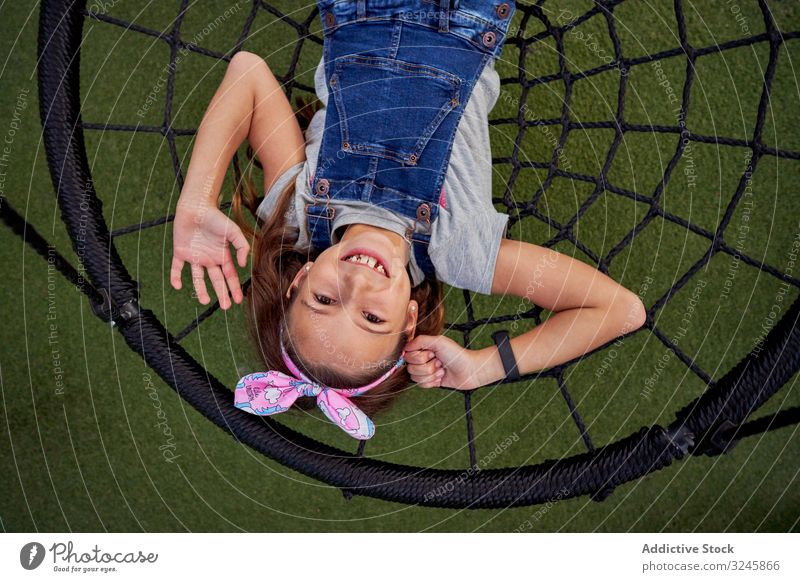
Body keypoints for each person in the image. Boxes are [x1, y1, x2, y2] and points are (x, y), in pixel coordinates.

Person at [170, 1, 646, 439]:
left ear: (300, 279)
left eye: (325, 298)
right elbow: (620, 311)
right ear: (410, 320)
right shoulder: (457, 251)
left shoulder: (297, 213)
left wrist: (197, 200)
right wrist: (483, 366)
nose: (357, 285)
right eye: (372, 317)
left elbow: (247, 74)